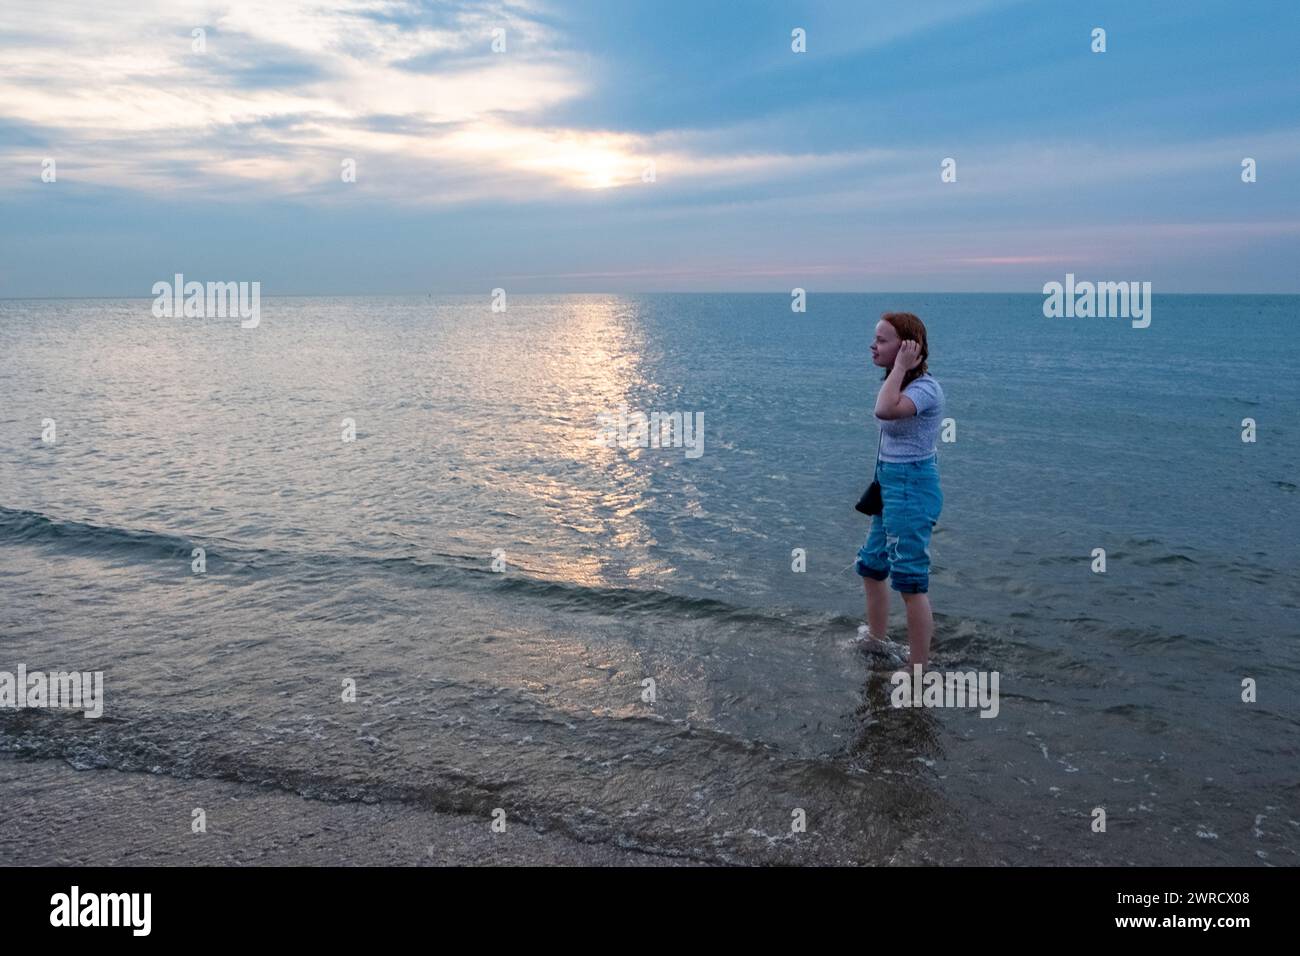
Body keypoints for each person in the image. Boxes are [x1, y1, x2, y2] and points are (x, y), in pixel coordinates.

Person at [854, 312, 944, 666]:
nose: (873, 345)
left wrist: (899, 368)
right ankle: (876, 640)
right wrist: (897, 370)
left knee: (909, 580)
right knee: (872, 565)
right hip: (889, 483)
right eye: (875, 338)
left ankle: (918, 668)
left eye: (882, 340)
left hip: (912, 486)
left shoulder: (925, 389)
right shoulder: (901, 382)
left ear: (908, 347)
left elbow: (884, 409)